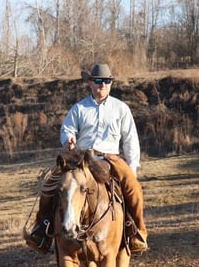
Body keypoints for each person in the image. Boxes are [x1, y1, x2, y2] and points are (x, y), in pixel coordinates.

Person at [23, 62, 149, 254]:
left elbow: (131, 139)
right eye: (98, 81)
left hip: (110, 159)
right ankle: (42, 230)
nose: (102, 85)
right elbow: (67, 129)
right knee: (50, 185)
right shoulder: (79, 109)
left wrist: (132, 168)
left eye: (107, 81)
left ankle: (137, 232)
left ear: (111, 84)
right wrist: (69, 139)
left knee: (134, 188)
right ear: (90, 83)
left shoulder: (121, 108)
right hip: (80, 159)